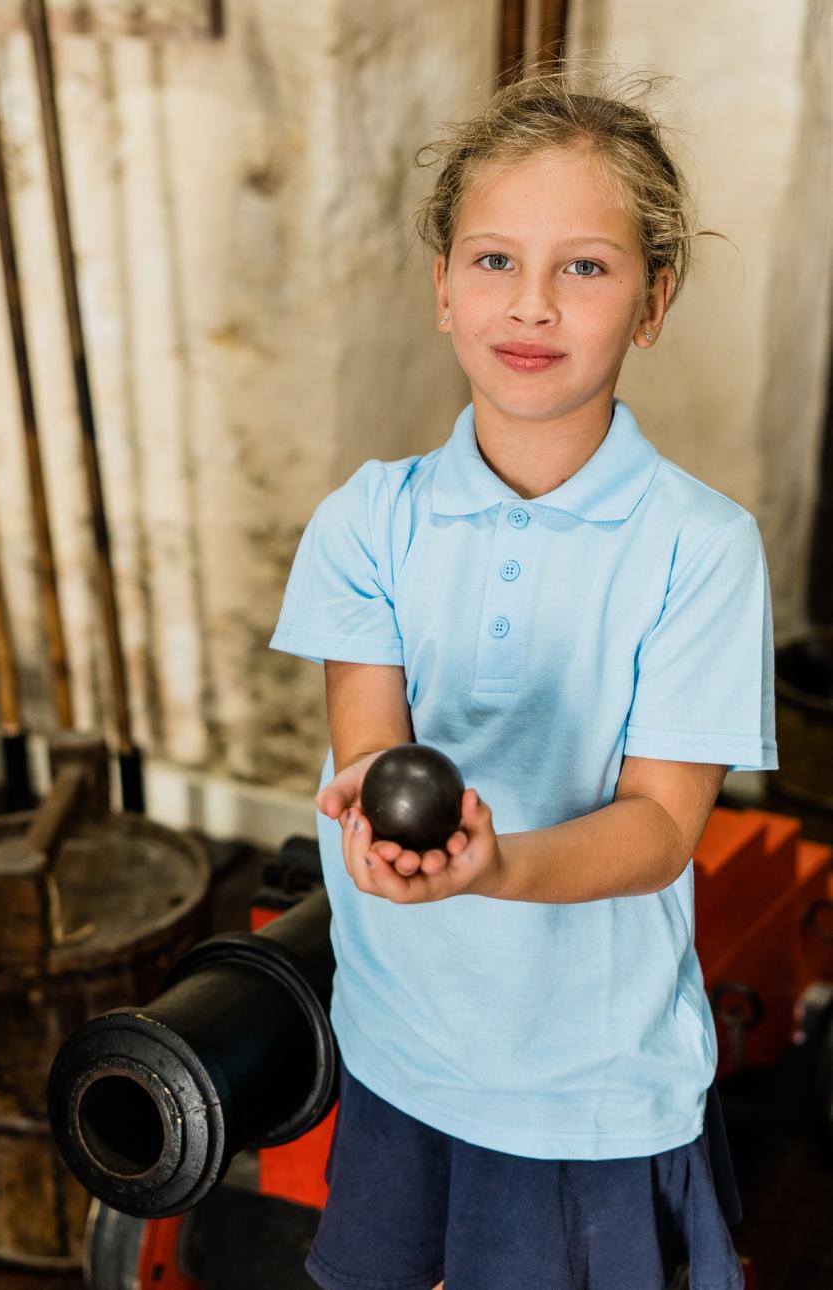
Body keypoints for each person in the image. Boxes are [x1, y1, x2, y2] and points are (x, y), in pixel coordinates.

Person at [269, 69, 776, 1290]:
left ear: (652, 302)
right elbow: (373, 757)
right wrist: (379, 836)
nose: (532, 304)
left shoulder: (700, 547)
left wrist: (496, 867)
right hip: (398, 1056)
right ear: (442, 287)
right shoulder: (367, 522)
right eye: (494, 260)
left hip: (588, 1094)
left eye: (585, 268)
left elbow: (659, 830)